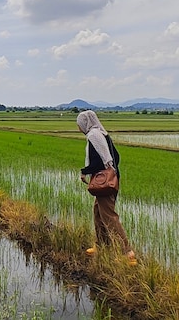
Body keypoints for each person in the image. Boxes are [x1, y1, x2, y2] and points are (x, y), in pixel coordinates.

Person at [77, 110, 137, 266]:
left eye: (79, 124)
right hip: (111, 179)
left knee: (109, 216)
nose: (78, 127)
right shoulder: (103, 134)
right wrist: (113, 172)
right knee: (98, 212)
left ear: (85, 123)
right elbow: (115, 157)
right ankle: (102, 245)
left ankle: (127, 252)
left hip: (105, 183)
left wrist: (85, 171)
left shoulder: (93, 136)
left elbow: (98, 163)